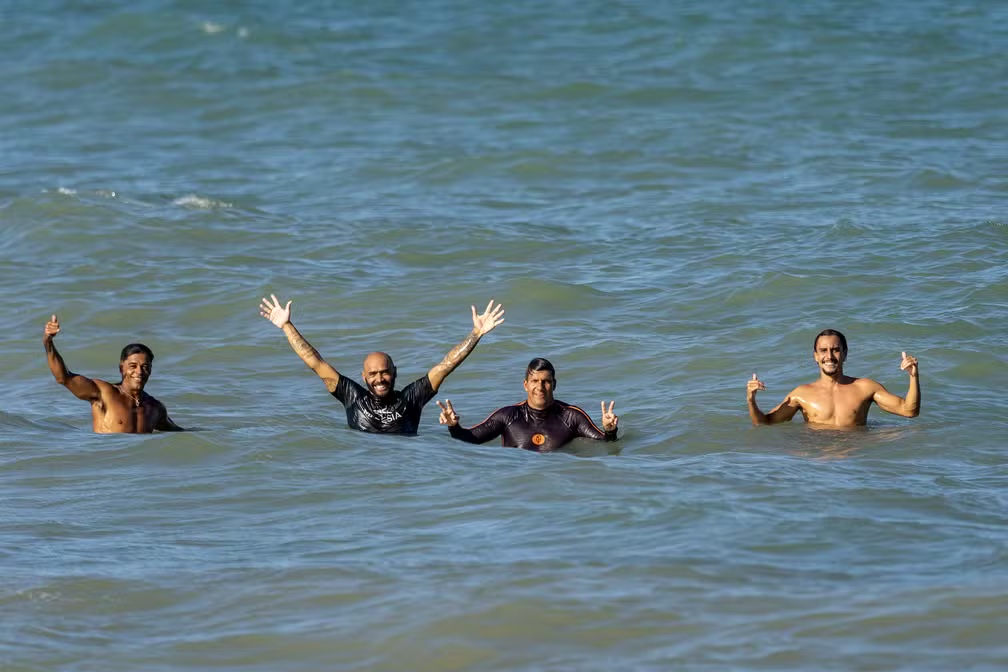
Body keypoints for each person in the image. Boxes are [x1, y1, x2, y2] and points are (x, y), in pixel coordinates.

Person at [259, 294, 504, 435]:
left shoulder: (411, 398)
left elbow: (445, 365)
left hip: (402, 466)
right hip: (363, 467)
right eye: (373, 374)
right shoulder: (352, 396)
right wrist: (287, 326)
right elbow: (315, 362)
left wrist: (476, 333)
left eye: (385, 373)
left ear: (394, 373)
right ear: (364, 377)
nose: (379, 379)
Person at [436, 357, 619, 452]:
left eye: (546, 382)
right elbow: (470, 439)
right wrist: (454, 427)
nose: (540, 387)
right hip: (518, 487)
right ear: (525, 385)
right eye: (535, 381)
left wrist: (610, 430)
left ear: (554, 384)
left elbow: (606, 443)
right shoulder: (508, 416)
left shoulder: (571, 416)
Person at [746, 329, 920, 428]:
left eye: (835, 350)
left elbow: (909, 411)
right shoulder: (802, 394)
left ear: (845, 354)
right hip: (817, 464)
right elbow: (764, 423)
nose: (829, 356)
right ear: (815, 356)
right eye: (823, 350)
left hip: (853, 460)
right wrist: (751, 400)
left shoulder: (865, 387)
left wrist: (913, 376)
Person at [42, 314, 184, 433]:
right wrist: (48, 342)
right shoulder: (103, 393)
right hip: (106, 462)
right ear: (121, 368)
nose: (139, 371)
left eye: (145, 366)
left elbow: (177, 432)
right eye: (133, 366)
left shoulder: (155, 408)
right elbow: (64, 378)